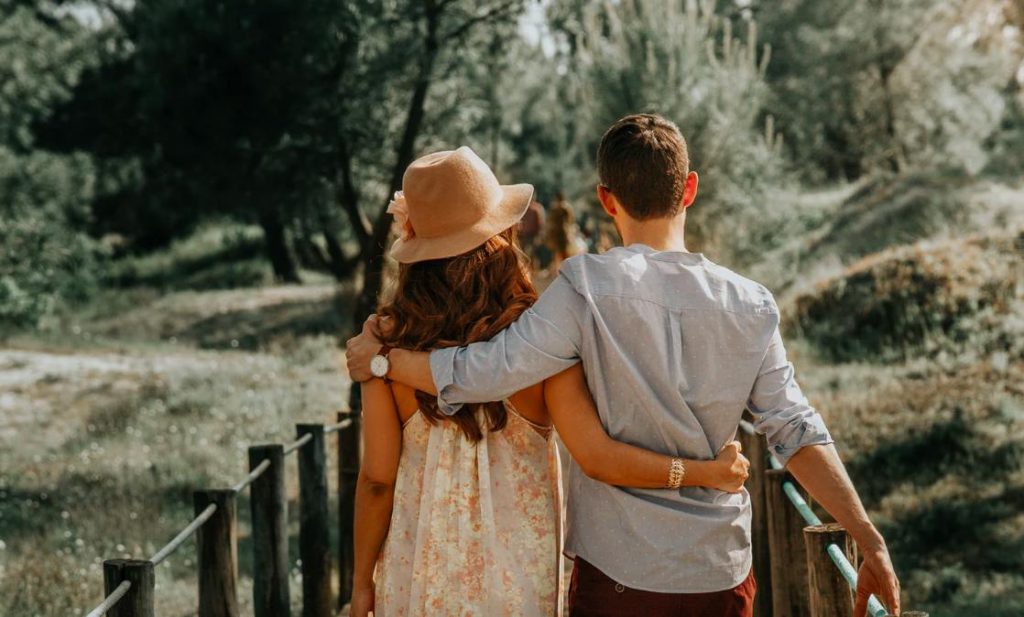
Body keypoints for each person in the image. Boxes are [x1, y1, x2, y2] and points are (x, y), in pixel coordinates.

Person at [347, 114, 902, 617]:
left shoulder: (583, 289)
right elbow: (797, 430)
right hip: (718, 573)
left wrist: (384, 361)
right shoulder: (752, 305)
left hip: (616, 576)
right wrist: (868, 537)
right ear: (690, 189)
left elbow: (488, 371)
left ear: (606, 200)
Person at [350, 146, 752, 617]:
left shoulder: (385, 345)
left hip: (419, 574)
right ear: (501, 235)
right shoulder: (539, 336)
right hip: (518, 582)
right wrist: (704, 473)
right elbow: (596, 455)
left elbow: (377, 480)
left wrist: (361, 584)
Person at [543, 192, 583, 273]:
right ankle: (563, 270)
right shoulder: (565, 207)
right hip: (562, 233)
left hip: (560, 234)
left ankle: (561, 271)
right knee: (563, 253)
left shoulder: (558, 208)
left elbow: (551, 221)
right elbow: (571, 220)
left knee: (560, 253)